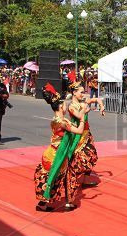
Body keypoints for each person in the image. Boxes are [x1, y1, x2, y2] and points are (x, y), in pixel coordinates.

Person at [34, 83, 86, 212]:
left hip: (55, 152)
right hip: (58, 154)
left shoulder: (58, 120)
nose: (65, 106)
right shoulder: (62, 122)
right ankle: (56, 202)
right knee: (57, 176)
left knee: (55, 177)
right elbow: (79, 131)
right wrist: (83, 115)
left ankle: (46, 203)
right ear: (61, 107)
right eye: (64, 105)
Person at [68, 82, 105, 187]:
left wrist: (101, 107)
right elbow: (80, 116)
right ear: (74, 93)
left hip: (86, 134)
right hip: (77, 135)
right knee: (77, 158)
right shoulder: (72, 106)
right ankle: (71, 180)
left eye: (83, 92)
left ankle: (83, 179)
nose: (83, 94)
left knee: (91, 155)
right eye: (81, 92)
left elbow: (97, 99)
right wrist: (85, 109)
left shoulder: (83, 102)